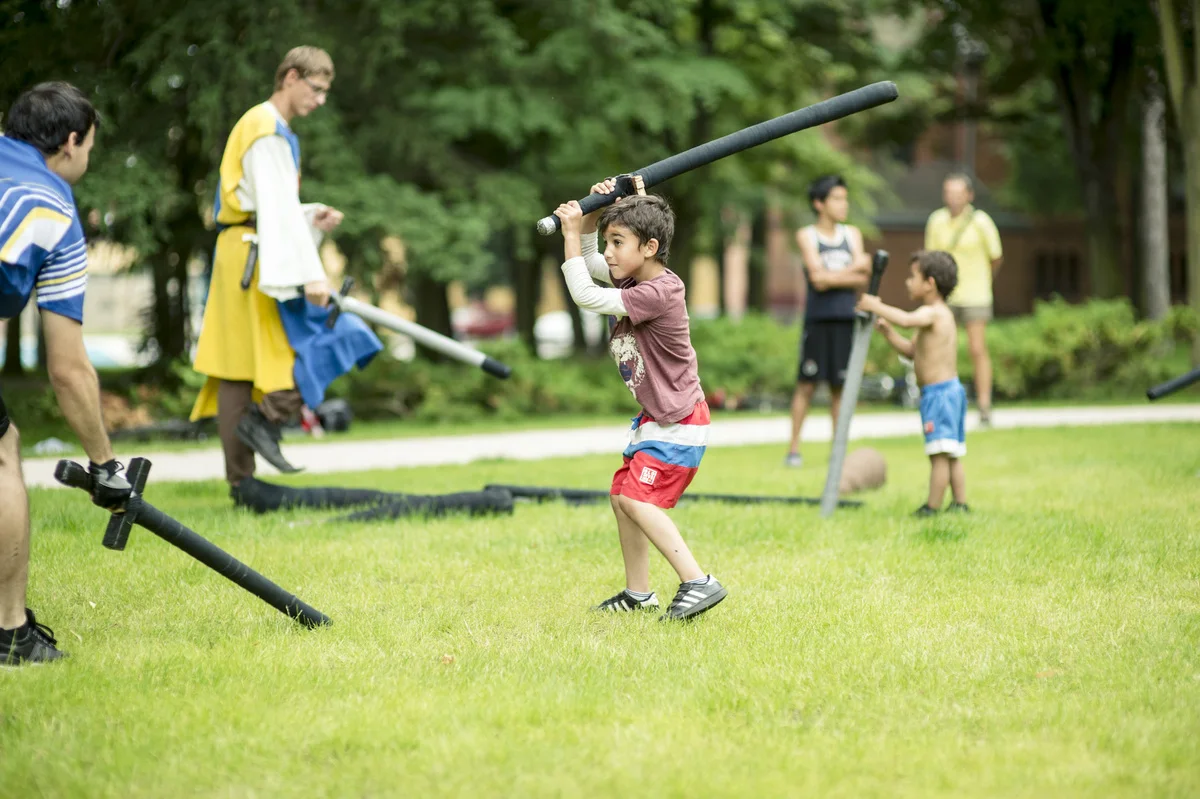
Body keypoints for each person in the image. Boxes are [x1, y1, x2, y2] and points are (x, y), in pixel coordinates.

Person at [190, 46, 381, 491]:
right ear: (291, 77)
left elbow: (270, 206)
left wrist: (310, 215)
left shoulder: (270, 128)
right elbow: (273, 210)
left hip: (248, 250)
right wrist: (312, 273)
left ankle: (244, 478)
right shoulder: (266, 129)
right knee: (288, 350)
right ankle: (249, 463)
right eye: (316, 89)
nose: (321, 99)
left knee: (239, 367)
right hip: (252, 257)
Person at [0, 82, 133, 665]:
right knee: (2, 451)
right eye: (91, 148)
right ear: (72, 142)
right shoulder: (53, 208)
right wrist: (104, 464)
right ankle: (9, 634)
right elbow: (69, 369)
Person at [553, 178, 727, 621]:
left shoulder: (659, 291)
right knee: (621, 496)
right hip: (657, 417)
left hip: (679, 420)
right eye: (608, 241)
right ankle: (638, 594)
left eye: (618, 242)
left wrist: (570, 232)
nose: (608, 252)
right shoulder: (635, 279)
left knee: (638, 500)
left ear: (649, 247)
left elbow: (585, 293)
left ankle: (698, 581)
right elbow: (591, 262)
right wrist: (595, 212)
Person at [857, 251, 969, 516]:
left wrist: (875, 305)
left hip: (940, 396)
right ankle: (960, 503)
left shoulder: (934, 313)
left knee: (939, 455)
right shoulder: (934, 318)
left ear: (930, 283)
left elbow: (906, 320)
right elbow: (911, 351)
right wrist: (888, 332)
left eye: (913, 277)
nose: (908, 282)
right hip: (948, 392)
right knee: (950, 452)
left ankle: (932, 507)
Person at [785, 175, 870, 467]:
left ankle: (838, 452)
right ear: (819, 203)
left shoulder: (852, 234)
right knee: (806, 385)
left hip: (846, 319)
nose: (843, 204)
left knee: (840, 388)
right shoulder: (807, 235)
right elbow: (817, 280)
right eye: (836, 199)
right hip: (818, 320)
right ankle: (793, 450)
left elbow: (863, 277)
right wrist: (852, 270)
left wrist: (829, 276)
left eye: (844, 199)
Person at [924, 172, 1002, 425]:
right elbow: (930, 259)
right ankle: (945, 404)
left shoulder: (981, 221)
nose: (953, 198)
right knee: (943, 350)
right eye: (949, 192)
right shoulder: (936, 220)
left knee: (977, 349)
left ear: (969, 195)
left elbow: (996, 257)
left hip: (976, 294)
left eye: (958, 193)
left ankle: (984, 406)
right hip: (946, 296)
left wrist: (984, 280)